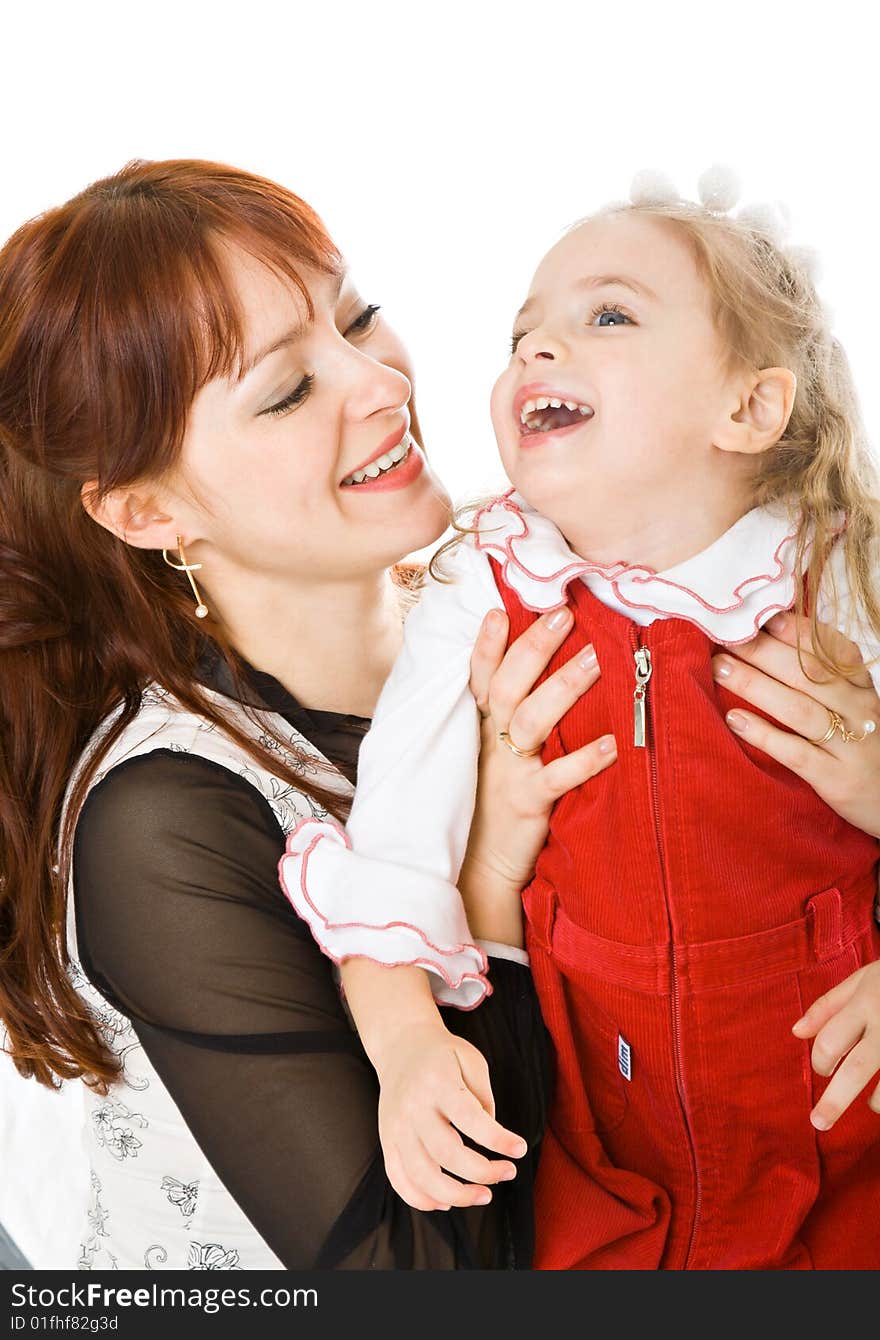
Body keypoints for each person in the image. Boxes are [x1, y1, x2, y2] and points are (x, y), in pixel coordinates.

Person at [0, 156, 621, 1270]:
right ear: (146, 509)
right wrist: (478, 888)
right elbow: (423, 1280)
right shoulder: (163, 822)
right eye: (287, 390)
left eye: (358, 317)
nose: (381, 383)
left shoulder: (514, 590)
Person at [280, 166, 880, 1269]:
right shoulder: (479, 590)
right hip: (602, 1163)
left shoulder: (835, 572)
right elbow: (392, 846)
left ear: (747, 407)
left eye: (606, 314)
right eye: (522, 331)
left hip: (846, 1144)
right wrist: (408, 1042)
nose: (533, 350)